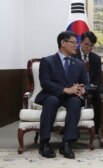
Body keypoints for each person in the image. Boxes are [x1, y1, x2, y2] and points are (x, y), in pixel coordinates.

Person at [35, 31, 89, 159]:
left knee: (76, 102)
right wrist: (65, 90)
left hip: (70, 98)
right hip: (51, 95)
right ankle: (44, 143)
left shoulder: (79, 64)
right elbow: (45, 82)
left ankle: (66, 143)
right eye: (73, 42)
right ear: (63, 43)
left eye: (76, 43)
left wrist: (83, 90)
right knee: (52, 101)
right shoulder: (47, 61)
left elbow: (86, 84)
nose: (76, 45)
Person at [74, 31, 103, 134]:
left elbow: (97, 78)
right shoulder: (73, 55)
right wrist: (83, 87)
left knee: (102, 94)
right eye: (86, 44)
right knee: (74, 99)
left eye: (91, 45)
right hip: (77, 86)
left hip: (92, 87)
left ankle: (96, 128)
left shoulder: (96, 58)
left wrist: (92, 86)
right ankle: (74, 128)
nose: (89, 48)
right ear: (80, 42)